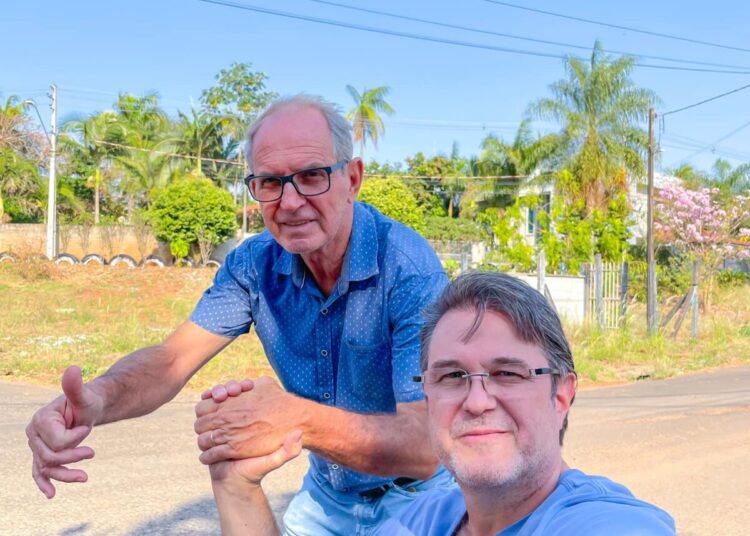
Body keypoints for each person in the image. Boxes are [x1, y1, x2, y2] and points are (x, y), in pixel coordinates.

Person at [26, 95, 455, 535]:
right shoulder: (254, 265)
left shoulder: (408, 268)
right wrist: (96, 399)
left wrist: (295, 418)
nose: (289, 203)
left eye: (311, 176)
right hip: (329, 494)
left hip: (416, 495)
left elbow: (428, 445)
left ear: (352, 178)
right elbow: (172, 360)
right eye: (270, 182)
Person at [208, 271, 676, 535]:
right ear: (426, 396)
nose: (476, 401)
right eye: (452, 376)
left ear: (561, 394)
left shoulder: (606, 523)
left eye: (507, 373)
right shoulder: (426, 519)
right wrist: (236, 485)